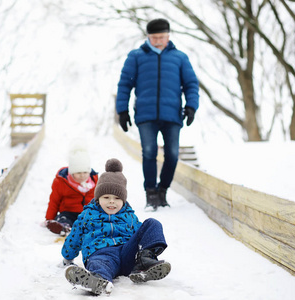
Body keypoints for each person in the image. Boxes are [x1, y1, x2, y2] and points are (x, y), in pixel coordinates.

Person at [116, 18, 199, 210]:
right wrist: (122, 110)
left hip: (172, 116)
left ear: (168, 36)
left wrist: (191, 107)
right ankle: (151, 194)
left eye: (161, 37)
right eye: (154, 38)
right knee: (150, 152)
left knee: (172, 154)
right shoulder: (136, 56)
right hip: (146, 115)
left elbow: (191, 84)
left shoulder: (180, 58)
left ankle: (163, 191)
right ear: (148, 37)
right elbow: (125, 85)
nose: (158, 41)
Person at [61, 158, 171, 295]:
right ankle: (97, 280)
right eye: (106, 197)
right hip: (101, 253)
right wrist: (67, 257)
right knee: (98, 263)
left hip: (127, 254)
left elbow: (141, 234)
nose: (112, 202)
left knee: (152, 223)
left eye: (117, 198)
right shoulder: (88, 215)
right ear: (98, 198)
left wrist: (146, 247)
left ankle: (144, 262)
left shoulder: (129, 215)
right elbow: (75, 236)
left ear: (123, 200)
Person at [44, 145, 98, 236]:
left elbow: (99, 200)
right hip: (68, 211)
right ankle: (64, 227)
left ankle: (92, 229)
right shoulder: (62, 182)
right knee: (63, 218)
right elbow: (54, 201)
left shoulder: (94, 182)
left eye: (85, 172)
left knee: (94, 220)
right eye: (78, 173)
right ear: (71, 172)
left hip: (87, 213)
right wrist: (49, 218)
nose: (82, 175)